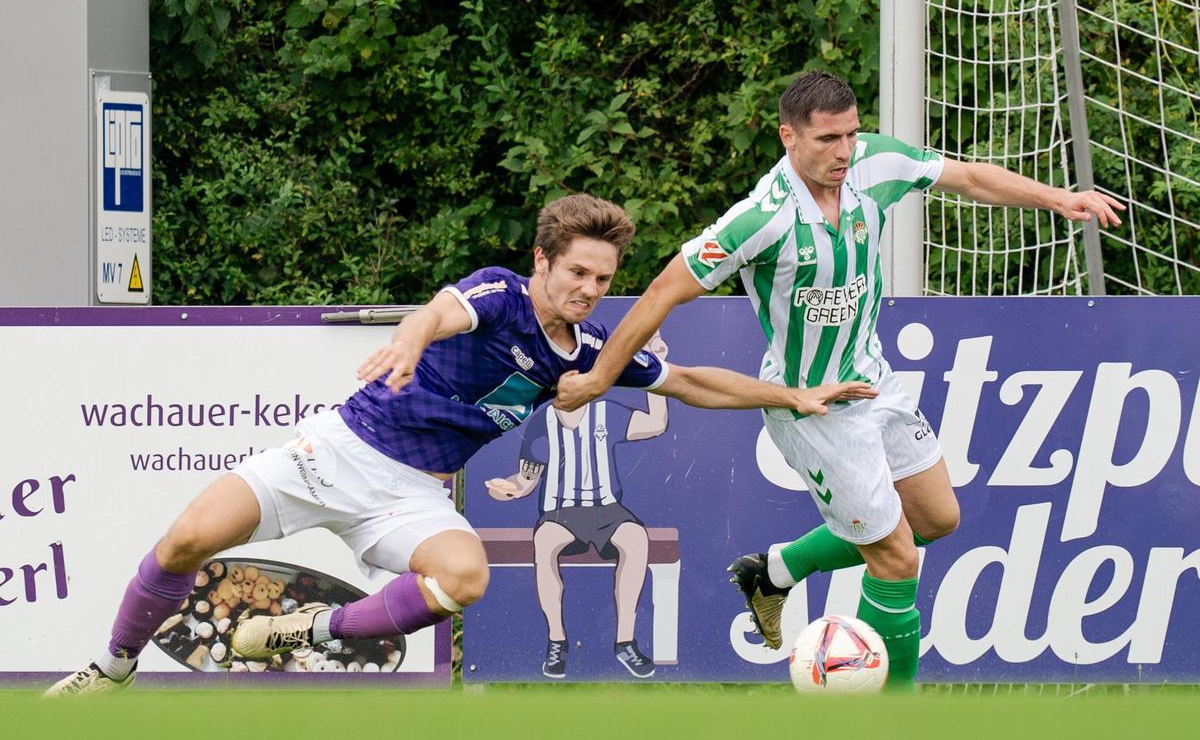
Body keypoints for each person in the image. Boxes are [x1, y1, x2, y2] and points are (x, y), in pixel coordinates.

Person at [46, 193, 874, 696]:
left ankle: (307, 631)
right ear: (543, 260)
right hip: (333, 451)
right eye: (577, 273)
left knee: (464, 577)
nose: (590, 291)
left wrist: (794, 394)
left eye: (602, 278)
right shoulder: (500, 293)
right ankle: (113, 668)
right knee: (188, 537)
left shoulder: (590, 353)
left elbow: (691, 380)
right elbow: (440, 313)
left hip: (410, 494)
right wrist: (410, 339)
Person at [554, 71, 1125, 689]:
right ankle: (891, 714)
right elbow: (664, 291)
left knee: (936, 520)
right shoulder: (760, 220)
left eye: (851, 134)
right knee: (897, 558)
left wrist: (1057, 198)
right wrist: (597, 379)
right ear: (788, 137)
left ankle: (774, 571)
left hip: (873, 380)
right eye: (828, 139)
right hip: (815, 410)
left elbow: (968, 177)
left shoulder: (874, 163)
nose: (845, 151)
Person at [486, 332, 672, 680]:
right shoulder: (540, 422)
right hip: (561, 512)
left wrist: (657, 365)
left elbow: (656, 423)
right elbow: (526, 480)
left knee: (635, 539)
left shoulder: (607, 413)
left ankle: (625, 642)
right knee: (545, 541)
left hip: (606, 508)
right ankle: (557, 640)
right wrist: (506, 489)